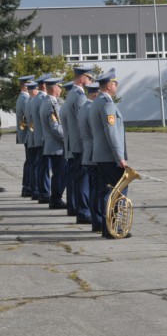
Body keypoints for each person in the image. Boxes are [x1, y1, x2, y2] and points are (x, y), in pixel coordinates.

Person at [89, 69, 130, 239]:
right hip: (108, 155)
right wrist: (119, 156)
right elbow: (111, 132)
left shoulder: (97, 102)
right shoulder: (107, 104)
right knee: (119, 190)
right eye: (115, 83)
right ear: (108, 85)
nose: (116, 86)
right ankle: (114, 228)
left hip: (100, 154)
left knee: (105, 191)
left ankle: (107, 228)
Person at [62, 66, 94, 223]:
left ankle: (75, 207)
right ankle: (83, 211)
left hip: (74, 143)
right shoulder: (80, 95)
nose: (90, 82)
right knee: (82, 178)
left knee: (76, 177)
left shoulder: (72, 94)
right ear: (82, 78)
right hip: (81, 144)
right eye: (89, 78)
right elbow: (84, 121)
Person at [78, 82, 103, 232]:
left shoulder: (84, 108)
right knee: (97, 189)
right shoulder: (90, 108)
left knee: (94, 188)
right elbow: (96, 134)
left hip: (88, 151)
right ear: (95, 94)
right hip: (94, 153)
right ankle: (98, 221)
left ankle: (96, 220)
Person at [40, 77, 68, 209]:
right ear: (53, 88)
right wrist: (67, 139)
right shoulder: (52, 104)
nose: (61, 89)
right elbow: (56, 127)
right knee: (60, 174)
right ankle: (55, 199)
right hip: (57, 146)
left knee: (60, 173)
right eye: (59, 86)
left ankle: (55, 198)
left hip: (53, 145)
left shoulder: (47, 102)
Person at [30, 73, 52, 204]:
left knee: (41, 166)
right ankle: (43, 192)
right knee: (44, 167)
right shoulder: (43, 99)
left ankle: (39, 191)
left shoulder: (36, 98)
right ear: (44, 85)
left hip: (38, 136)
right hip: (44, 138)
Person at [15, 75, 34, 196]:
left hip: (27, 134)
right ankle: (28, 187)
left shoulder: (21, 97)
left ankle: (27, 187)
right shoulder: (25, 98)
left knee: (29, 162)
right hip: (29, 135)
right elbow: (28, 118)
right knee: (31, 162)